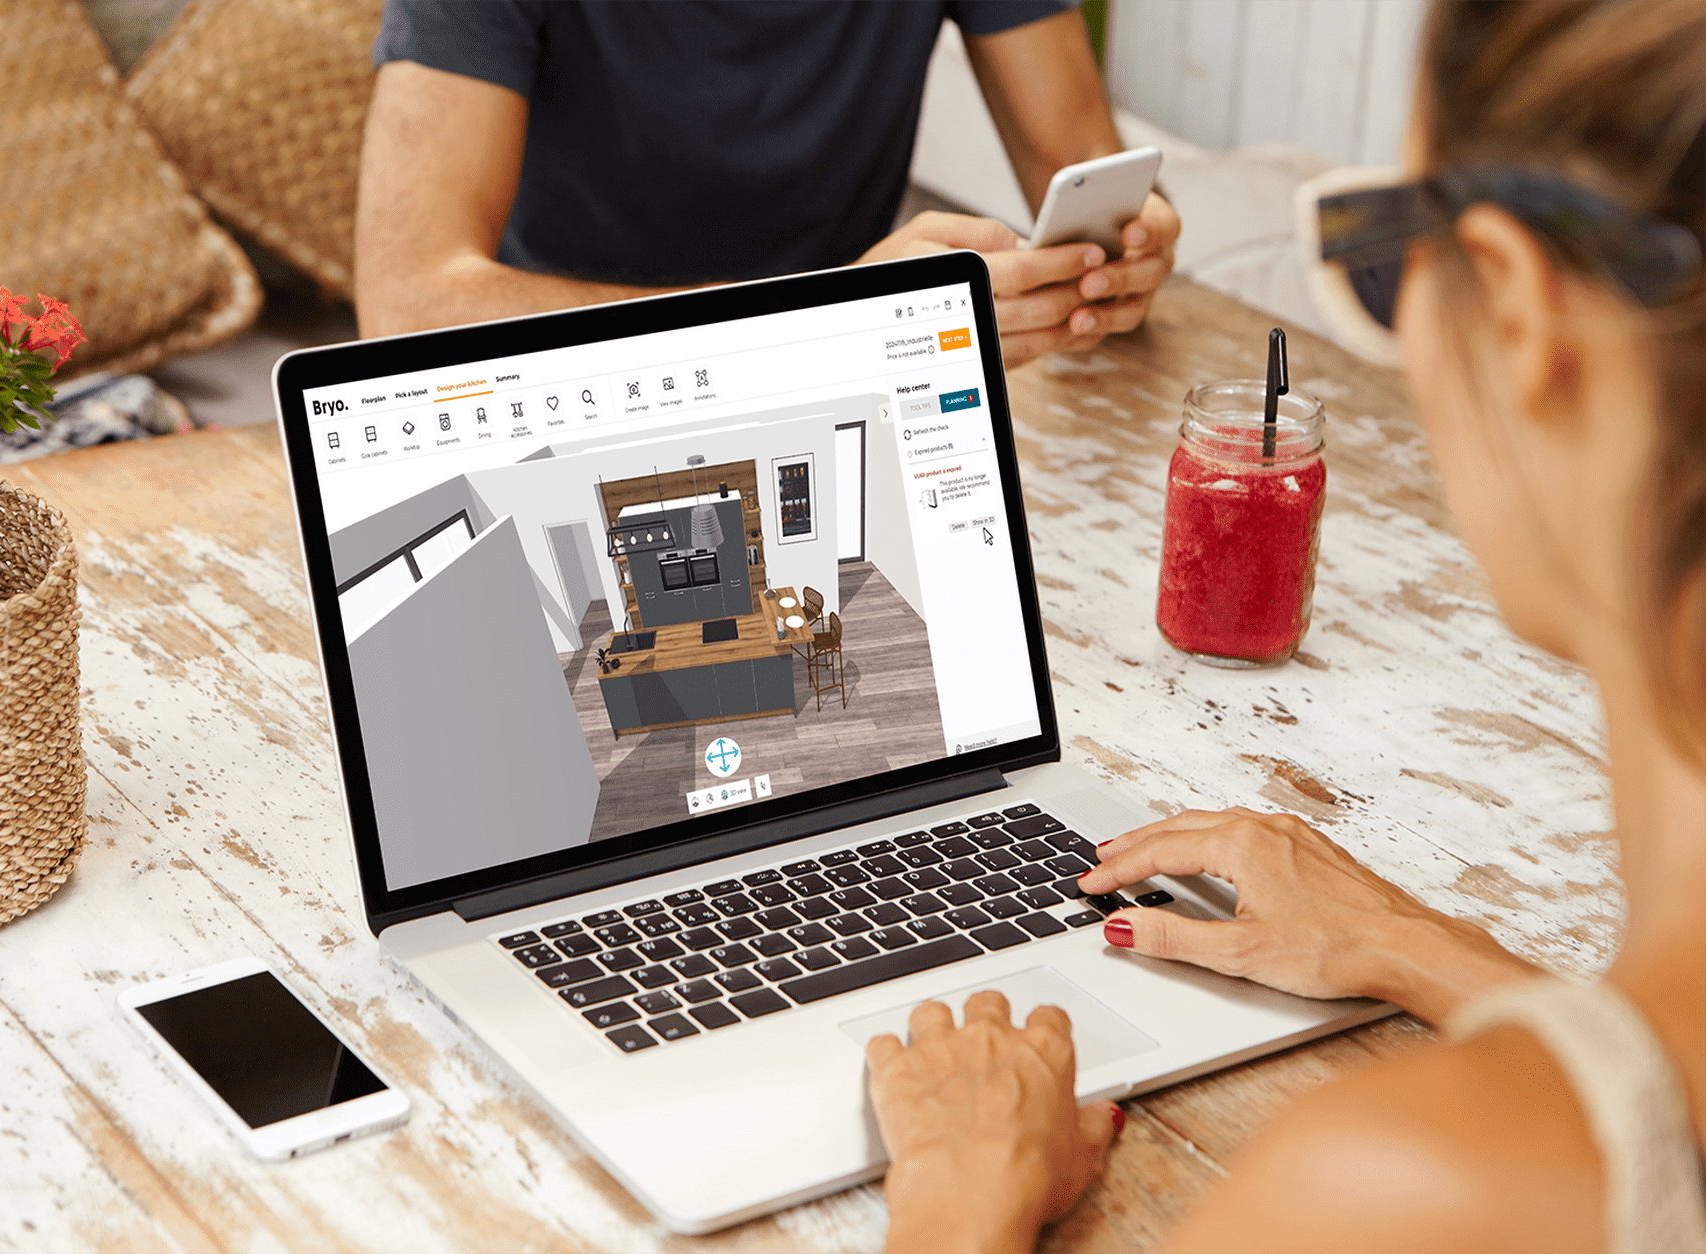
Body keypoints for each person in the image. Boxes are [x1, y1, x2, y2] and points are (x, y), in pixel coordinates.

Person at [865, 2, 1706, 1251]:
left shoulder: (1402, 1192)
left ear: (1523, 320)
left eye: (1386, 254)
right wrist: (1422, 946)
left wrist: (954, 1198)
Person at [354, 1, 1179, 367]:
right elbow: (405, 307)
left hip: (847, 403)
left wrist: (1121, 252)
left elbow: (1085, 177)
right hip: (566, 385)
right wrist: (825, 331)